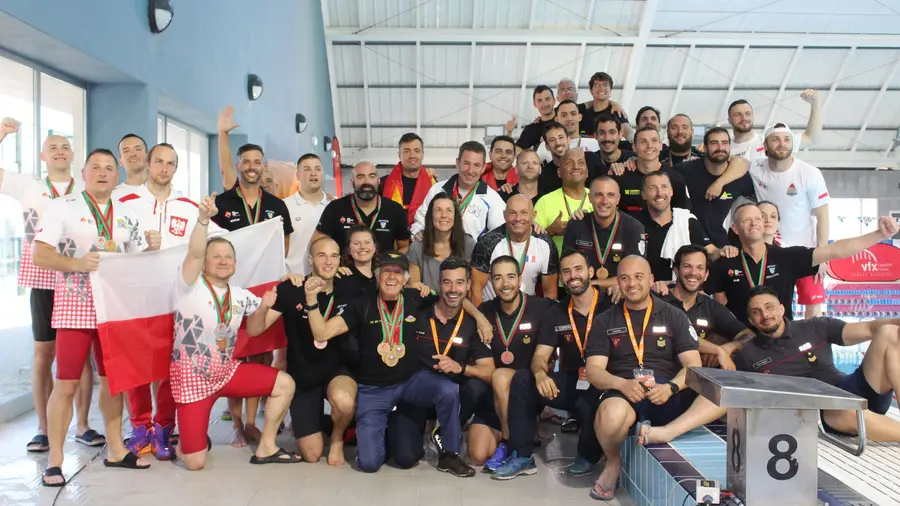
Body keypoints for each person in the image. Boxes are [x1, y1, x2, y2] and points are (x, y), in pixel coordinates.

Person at [35, 149, 161, 486]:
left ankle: (117, 450)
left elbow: (137, 262)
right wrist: (76, 264)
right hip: (75, 307)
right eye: (96, 167)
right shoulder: (64, 206)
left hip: (114, 308)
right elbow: (40, 253)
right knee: (66, 383)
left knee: (113, 381)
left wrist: (151, 248)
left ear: (117, 175)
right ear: (84, 172)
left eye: (109, 168)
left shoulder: (127, 211)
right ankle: (56, 460)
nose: (103, 173)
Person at [303, 252, 489, 475]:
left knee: (447, 390)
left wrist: (480, 317)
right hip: (373, 390)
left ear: (406, 278)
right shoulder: (361, 305)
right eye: (386, 272)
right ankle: (380, 432)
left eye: (397, 272)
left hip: (409, 383)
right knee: (370, 463)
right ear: (377, 276)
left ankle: (450, 454)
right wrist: (311, 301)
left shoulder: (415, 297)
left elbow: (452, 297)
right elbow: (321, 333)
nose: (391, 277)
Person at [639, 286, 900, 445]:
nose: (765, 315)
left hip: (854, 389)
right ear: (750, 320)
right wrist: (725, 350)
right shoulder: (748, 355)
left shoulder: (815, 326)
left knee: (889, 332)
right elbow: (719, 394)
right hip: (823, 411)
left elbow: (869, 327)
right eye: (756, 312)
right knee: (724, 387)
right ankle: (667, 433)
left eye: (769, 307)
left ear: (782, 307)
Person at [170, 194, 299, 470]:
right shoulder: (188, 285)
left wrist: (264, 307)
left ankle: (267, 446)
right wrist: (203, 219)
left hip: (227, 373)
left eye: (229, 257)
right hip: (192, 382)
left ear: (236, 264)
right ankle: (191, 439)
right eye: (215, 256)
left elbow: (255, 330)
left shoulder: (239, 296)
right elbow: (193, 251)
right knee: (195, 463)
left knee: (285, 384)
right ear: (203, 262)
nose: (223, 261)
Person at [114, 142, 222, 460]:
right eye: (158, 161)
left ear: (176, 168)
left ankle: (163, 428)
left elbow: (219, 240)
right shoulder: (124, 200)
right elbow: (106, 240)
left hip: (176, 300)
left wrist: (211, 219)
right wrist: (138, 248)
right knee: (136, 365)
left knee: (168, 368)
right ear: (148, 164)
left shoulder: (189, 207)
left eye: (170, 163)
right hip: (134, 299)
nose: (164, 168)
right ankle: (139, 428)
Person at [0, 123, 99, 453]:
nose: (59, 150)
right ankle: (43, 429)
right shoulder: (27, 185)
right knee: (44, 354)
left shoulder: (85, 187)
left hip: (77, 282)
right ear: (43, 155)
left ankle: (83, 425)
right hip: (43, 280)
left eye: (65, 146)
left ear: (72, 155)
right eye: (52, 146)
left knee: (81, 358)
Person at [584, 255, 702, 501]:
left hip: (667, 390)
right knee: (610, 414)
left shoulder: (674, 315)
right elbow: (594, 371)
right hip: (625, 392)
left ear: (650, 280)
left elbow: (693, 365)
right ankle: (613, 462)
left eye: (638, 277)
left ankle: (666, 432)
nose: (632, 283)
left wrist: (670, 387)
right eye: (624, 278)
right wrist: (621, 384)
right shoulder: (605, 320)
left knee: (718, 390)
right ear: (618, 282)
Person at [493, 250, 609, 480]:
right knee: (523, 379)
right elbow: (539, 357)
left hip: (605, 381)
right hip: (573, 380)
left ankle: (588, 455)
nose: (572, 276)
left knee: (591, 403)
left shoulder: (611, 305)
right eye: (566, 271)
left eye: (578, 269)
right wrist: (540, 375)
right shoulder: (556, 311)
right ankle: (522, 455)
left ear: (591, 272)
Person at [210, 139, 293, 446]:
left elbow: (283, 245)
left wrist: (268, 270)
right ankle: (234, 425)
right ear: (239, 166)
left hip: (261, 289)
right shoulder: (223, 203)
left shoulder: (276, 205)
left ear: (263, 166)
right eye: (246, 161)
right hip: (228, 289)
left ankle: (249, 421)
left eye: (257, 162)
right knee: (231, 353)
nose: (252, 167)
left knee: (257, 353)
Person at [706, 204, 900, 325]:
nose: (755, 223)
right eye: (747, 220)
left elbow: (837, 250)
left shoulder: (787, 257)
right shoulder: (725, 263)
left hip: (780, 339)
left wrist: (879, 235)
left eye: (758, 218)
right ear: (735, 228)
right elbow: (720, 308)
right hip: (742, 340)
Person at [266, 237, 357, 465]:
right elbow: (257, 328)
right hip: (303, 378)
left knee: (344, 401)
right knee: (313, 455)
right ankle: (323, 422)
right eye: (322, 255)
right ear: (310, 259)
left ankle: (337, 438)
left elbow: (322, 334)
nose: (328, 261)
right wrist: (265, 302)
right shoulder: (292, 287)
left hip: (337, 371)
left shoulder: (349, 288)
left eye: (334, 256)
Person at [410, 259, 497, 473]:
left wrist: (462, 368)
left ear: (468, 285)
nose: (453, 289)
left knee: (476, 386)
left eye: (459, 283)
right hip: (418, 391)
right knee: (406, 456)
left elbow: (489, 372)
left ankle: (447, 441)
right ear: (438, 284)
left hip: (453, 393)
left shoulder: (472, 324)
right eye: (447, 283)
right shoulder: (419, 307)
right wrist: (411, 284)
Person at [477, 256, 555, 473]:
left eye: (511, 276)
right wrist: (476, 315)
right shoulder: (484, 311)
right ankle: (513, 438)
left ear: (520, 278)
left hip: (529, 386)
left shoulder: (540, 307)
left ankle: (511, 443)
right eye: (498, 278)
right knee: (476, 454)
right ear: (491, 281)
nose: (505, 284)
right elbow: (458, 301)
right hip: (496, 394)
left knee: (501, 375)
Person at [752, 124, 830, 318]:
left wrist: (822, 254)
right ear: (765, 145)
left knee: (813, 308)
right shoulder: (755, 169)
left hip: (806, 251)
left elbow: (823, 215)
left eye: (787, 140)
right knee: (773, 308)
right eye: (776, 140)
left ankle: (815, 348)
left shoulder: (809, 173)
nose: (782, 144)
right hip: (773, 254)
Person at [659, 245, 753, 371]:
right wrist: (717, 350)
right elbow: (679, 334)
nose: (693, 273)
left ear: (706, 274)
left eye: (700, 268)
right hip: (659, 374)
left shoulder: (710, 306)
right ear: (676, 271)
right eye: (687, 266)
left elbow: (748, 335)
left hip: (696, 379)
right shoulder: (659, 299)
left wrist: (728, 347)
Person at [471, 194, 559, 305]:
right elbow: (475, 290)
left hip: (527, 312)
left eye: (524, 213)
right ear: (504, 215)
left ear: (533, 215)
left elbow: (550, 292)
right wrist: (482, 319)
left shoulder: (546, 244)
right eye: (512, 213)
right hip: (492, 313)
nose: (518, 218)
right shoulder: (487, 243)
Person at [564, 176, 645, 290]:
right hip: (583, 296)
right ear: (589, 197)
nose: (604, 201)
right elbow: (566, 269)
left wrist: (590, 285)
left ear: (618, 199)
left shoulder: (634, 228)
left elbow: (636, 275)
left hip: (620, 295)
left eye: (610, 195)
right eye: (598, 195)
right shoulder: (576, 225)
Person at [678, 128, 754, 248]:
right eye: (714, 143)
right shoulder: (686, 170)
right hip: (688, 242)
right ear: (704, 147)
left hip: (722, 244)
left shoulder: (740, 178)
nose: (720, 148)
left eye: (724, 143)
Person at [413, 141, 506, 240]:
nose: (470, 171)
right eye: (466, 163)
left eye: (476, 165)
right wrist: (418, 232)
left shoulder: (492, 198)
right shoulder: (437, 190)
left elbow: (500, 234)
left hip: (471, 254)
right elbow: (420, 222)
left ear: (483, 168)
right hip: (436, 252)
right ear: (457, 163)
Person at [634, 171, 715, 283]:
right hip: (643, 291)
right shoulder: (633, 223)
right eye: (653, 188)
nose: (659, 193)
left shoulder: (686, 221)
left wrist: (724, 251)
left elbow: (710, 251)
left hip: (678, 293)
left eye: (664, 187)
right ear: (643, 194)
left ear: (671, 191)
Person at [317, 161, 410, 254]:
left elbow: (404, 245)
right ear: (352, 182)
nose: (367, 181)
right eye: (360, 177)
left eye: (372, 176)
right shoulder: (335, 208)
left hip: (381, 267)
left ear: (378, 181)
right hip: (345, 268)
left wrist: (392, 265)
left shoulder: (395, 210)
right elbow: (318, 243)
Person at [610, 127, 690, 216]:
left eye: (654, 140)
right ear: (634, 147)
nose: (649, 145)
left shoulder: (675, 178)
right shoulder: (620, 176)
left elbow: (683, 216)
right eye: (643, 141)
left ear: (660, 145)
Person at [727, 90, 821, 163]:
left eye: (748, 113)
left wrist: (815, 104)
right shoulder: (723, 147)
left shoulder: (770, 140)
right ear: (729, 120)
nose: (744, 118)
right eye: (737, 114)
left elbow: (810, 138)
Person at [407, 193, 475, 291]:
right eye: (438, 210)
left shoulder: (469, 245)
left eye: (449, 210)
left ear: (455, 216)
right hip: (426, 304)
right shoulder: (417, 247)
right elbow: (414, 288)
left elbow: (472, 290)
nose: (444, 215)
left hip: (460, 303)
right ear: (431, 215)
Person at [284, 153, 335, 275]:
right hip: (294, 278)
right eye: (307, 169)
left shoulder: (335, 205)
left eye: (318, 169)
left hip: (328, 279)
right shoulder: (284, 206)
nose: (313, 173)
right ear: (298, 175)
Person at [535, 148, 592, 254]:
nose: (576, 167)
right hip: (555, 267)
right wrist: (550, 231)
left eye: (581, 163)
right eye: (569, 163)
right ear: (559, 172)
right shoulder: (545, 202)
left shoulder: (600, 199)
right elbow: (530, 244)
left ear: (587, 172)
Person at [380, 132, 436, 226]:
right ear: (399, 155)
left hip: (424, 238)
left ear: (422, 154)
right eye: (407, 151)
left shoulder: (434, 185)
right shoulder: (382, 184)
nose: (412, 155)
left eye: (417, 150)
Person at [535, 100, 600, 163]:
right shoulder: (546, 145)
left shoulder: (595, 143)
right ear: (556, 119)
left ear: (580, 117)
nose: (569, 119)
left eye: (573, 114)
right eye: (564, 115)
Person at [577, 72, 630, 139]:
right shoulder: (582, 113)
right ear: (591, 90)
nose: (601, 88)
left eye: (605, 85)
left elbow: (629, 132)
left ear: (610, 90)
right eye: (597, 85)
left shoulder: (616, 112)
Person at [335, 226, 380, 296]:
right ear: (349, 250)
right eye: (356, 243)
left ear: (375, 247)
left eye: (367, 242)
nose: (362, 247)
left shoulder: (381, 278)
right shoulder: (340, 277)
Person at [513, 85, 557, 151]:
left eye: (547, 99)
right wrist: (508, 133)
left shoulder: (565, 121)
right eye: (539, 100)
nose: (544, 104)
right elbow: (516, 152)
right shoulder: (530, 129)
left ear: (554, 101)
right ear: (534, 104)